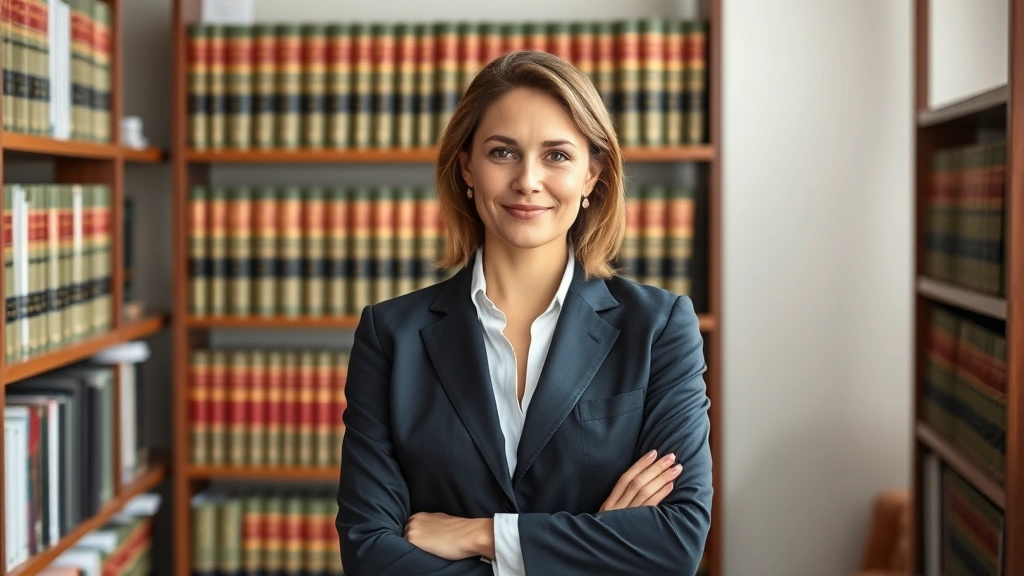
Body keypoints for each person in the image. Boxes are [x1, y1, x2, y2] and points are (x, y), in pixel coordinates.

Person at [336, 50, 712, 575]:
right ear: (466, 165)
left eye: (557, 155)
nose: (528, 180)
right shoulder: (390, 335)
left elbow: (675, 542)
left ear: (592, 175)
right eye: (502, 153)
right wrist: (596, 546)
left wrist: (481, 535)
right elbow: (371, 554)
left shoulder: (660, 328)